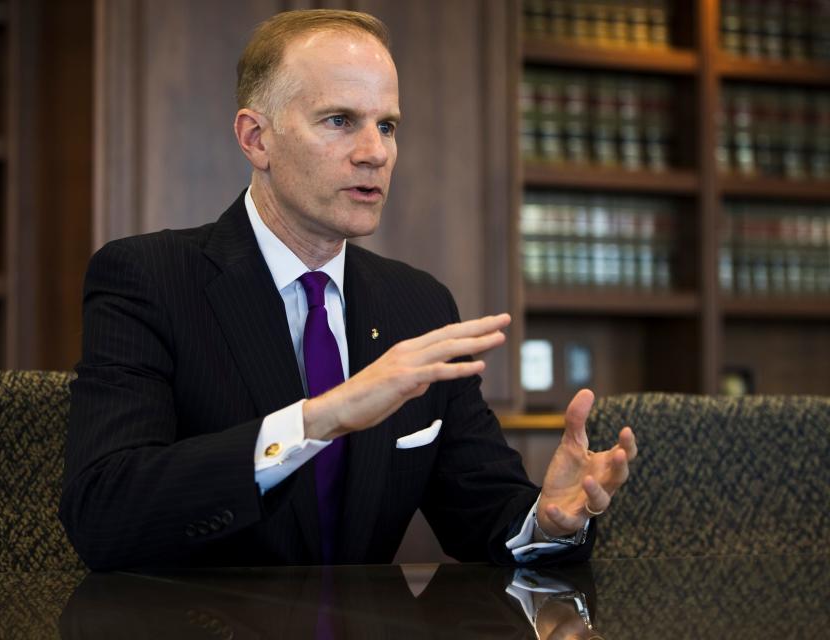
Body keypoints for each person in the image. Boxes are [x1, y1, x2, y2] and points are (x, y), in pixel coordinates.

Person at [59, 9, 637, 571]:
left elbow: (483, 512)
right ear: (256, 139)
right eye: (339, 120)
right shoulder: (148, 279)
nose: (375, 151)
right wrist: (320, 420)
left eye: (387, 125)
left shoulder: (418, 305)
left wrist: (549, 520)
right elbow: (106, 514)